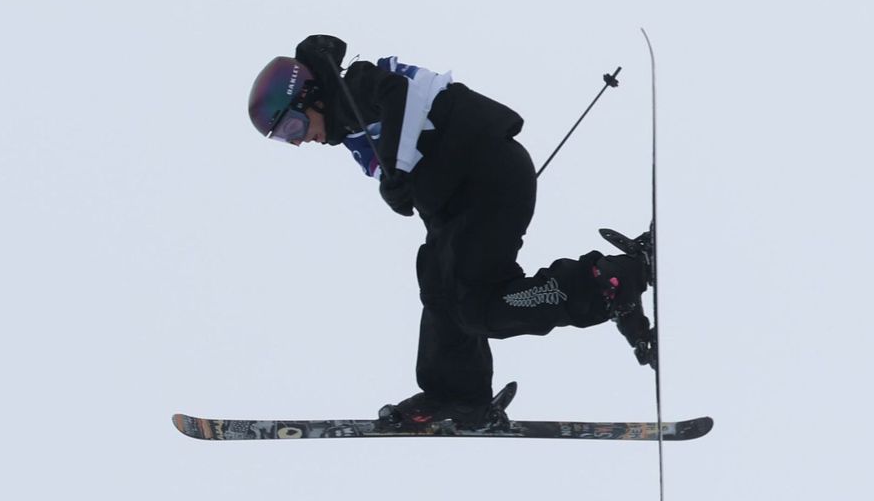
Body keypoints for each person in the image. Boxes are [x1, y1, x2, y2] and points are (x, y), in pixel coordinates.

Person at [246, 34, 654, 428]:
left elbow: (408, 93)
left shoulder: (361, 85)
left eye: (294, 127)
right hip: (465, 201)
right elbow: (411, 179)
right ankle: (458, 396)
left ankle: (604, 284)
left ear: (311, 96)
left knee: (478, 307)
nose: (299, 142)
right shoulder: (351, 129)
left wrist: (398, 168)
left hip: (490, 178)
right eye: (285, 139)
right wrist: (403, 185)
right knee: (440, 287)